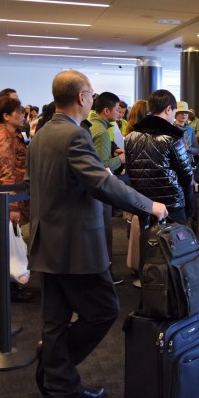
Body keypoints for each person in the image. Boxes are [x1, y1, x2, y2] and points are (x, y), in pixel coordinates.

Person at [26, 70, 168, 398]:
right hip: (75, 245)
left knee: (55, 320)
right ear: (82, 97)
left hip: (48, 241)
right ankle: (56, 365)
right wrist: (148, 205)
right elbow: (101, 184)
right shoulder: (75, 137)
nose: (94, 98)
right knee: (104, 310)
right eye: (91, 93)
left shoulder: (43, 133)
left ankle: (62, 387)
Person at [0, 96, 34, 301]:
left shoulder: (10, 133)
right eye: (19, 112)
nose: (23, 115)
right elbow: (7, 174)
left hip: (11, 195)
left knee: (9, 241)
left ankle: (11, 286)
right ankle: (9, 288)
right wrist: (13, 206)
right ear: (6, 116)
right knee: (8, 243)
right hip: (8, 197)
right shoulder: (4, 138)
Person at [124, 89, 193, 225]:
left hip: (142, 203)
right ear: (168, 109)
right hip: (171, 205)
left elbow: (130, 170)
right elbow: (186, 174)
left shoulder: (130, 137)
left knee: (145, 242)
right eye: (174, 111)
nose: (174, 116)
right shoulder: (172, 137)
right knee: (174, 243)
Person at [85, 92, 126, 285]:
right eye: (117, 110)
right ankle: (106, 273)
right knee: (104, 230)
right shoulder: (100, 131)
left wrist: (112, 148)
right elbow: (102, 166)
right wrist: (121, 159)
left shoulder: (91, 125)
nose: (119, 113)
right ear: (106, 111)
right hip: (101, 188)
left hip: (88, 190)